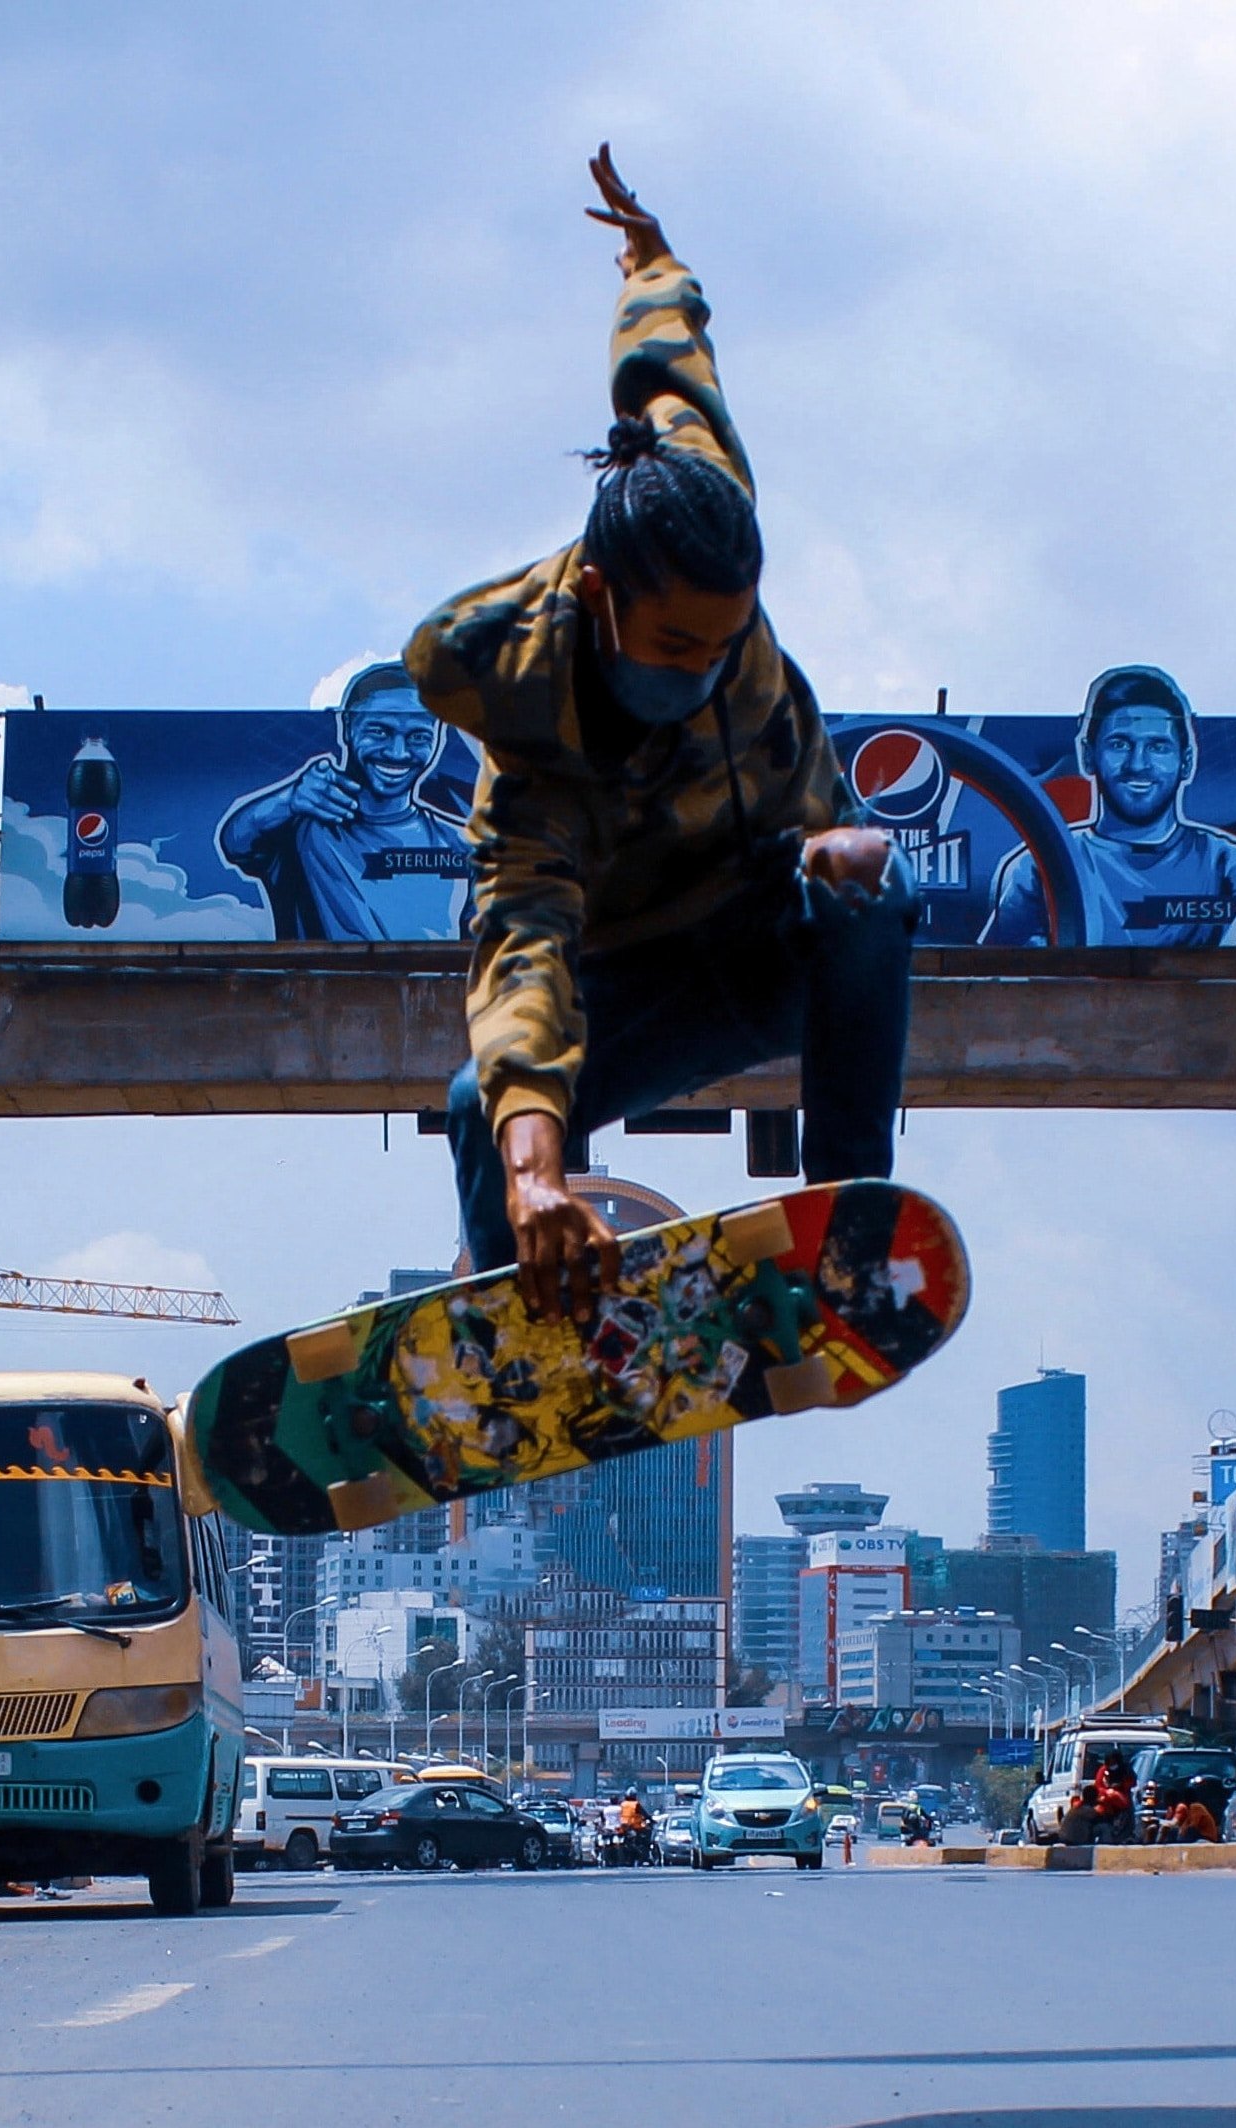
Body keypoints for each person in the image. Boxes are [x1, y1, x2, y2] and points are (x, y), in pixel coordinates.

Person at [414, 148, 910, 1317]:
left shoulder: (700, 493)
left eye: (729, 643)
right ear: (599, 597)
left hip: (760, 929)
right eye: (678, 648)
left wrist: (648, 259)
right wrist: (539, 1167)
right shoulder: (535, 739)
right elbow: (523, 950)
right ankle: (518, 1319)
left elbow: (670, 368)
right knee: (475, 1111)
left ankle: (841, 1221)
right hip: (628, 978)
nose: (706, 670)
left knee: (870, 888)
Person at [981, 665, 1236, 947]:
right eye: (1119, 744)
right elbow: (1001, 979)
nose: (1138, 764)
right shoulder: (1039, 865)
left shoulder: (1231, 865)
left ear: (1186, 761)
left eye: (1158, 747)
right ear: (1088, 755)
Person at [215, 663, 475, 940]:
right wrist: (289, 799)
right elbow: (235, 841)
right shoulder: (300, 828)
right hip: (317, 983)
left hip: (436, 984)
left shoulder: (465, 846)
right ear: (347, 726)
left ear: (438, 739)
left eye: (419, 736)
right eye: (379, 731)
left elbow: (485, 949)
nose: (398, 752)